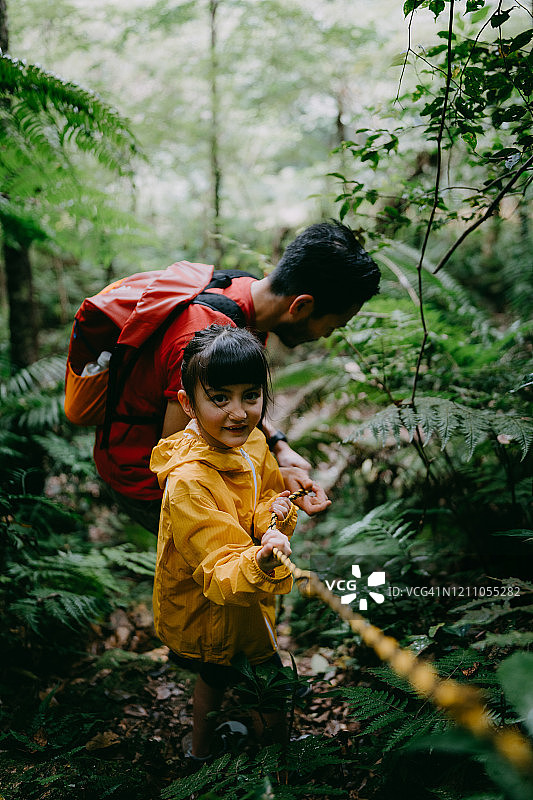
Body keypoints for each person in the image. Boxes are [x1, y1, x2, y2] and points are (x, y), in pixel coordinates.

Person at [96, 221, 380, 533]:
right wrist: (271, 480)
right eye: (332, 326)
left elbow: (230, 400)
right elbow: (179, 459)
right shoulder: (200, 339)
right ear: (301, 306)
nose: (326, 335)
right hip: (147, 479)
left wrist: (278, 445)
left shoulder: (245, 293)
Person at [150, 324, 298, 761]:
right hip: (211, 605)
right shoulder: (189, 482)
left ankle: (217, 748)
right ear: (188, 404)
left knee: (222, 676)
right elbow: (218, 562)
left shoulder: (252, 442)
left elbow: (264, 496)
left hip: (246, 593)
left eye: (250, 395)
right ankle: (269, 756)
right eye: (219, 398)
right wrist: (262, 559)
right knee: (257, 675)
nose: (238, 412)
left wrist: (278, 516)